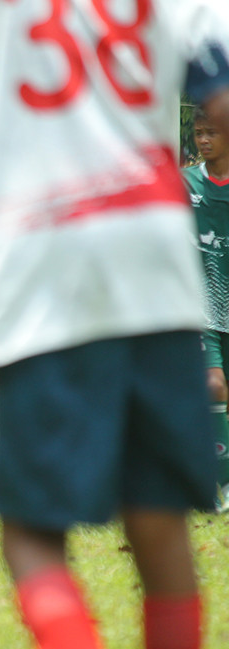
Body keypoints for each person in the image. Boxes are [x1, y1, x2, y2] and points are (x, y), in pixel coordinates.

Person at [0, 1, 229, 649]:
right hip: (154, 257)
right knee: (158, 517)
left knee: (31, 530)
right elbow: (220, 100)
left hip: (38, 257)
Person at [184, 106, 229, 513]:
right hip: (202, 306)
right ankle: (222, 483)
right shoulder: (186, 183)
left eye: (211, 132)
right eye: (199, 132)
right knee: (212, 385)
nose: (203, 140)